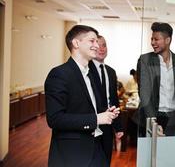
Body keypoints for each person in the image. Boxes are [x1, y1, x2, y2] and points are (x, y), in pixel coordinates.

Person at [45, 25, 120, 167]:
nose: (97, 46)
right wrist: (96, 118)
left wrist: (106, 113)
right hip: (73, 153)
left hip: (97, 147)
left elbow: (87, 107)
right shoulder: (59, 74)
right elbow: (55, 119)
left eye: (97, 42)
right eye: (92, 41)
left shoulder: (90, 75)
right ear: (76, 43)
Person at [137, 22, 175, 136]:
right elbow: (144, 92)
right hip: (152, 116)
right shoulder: (145, 60)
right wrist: (152, 121)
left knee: (172, 153)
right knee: (151, 153)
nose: (152, 42)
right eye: (152, 39)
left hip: (174, 118)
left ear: (167, 40)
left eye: (156, 39)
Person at [88, 35, 123, 164]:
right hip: (92, 124)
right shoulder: (86, 70)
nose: (101, 49)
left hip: (108, 125)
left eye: (104, 45)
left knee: (106, 160)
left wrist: (118, 127)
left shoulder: (111, 72)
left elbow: (114, 99)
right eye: (98, 45)